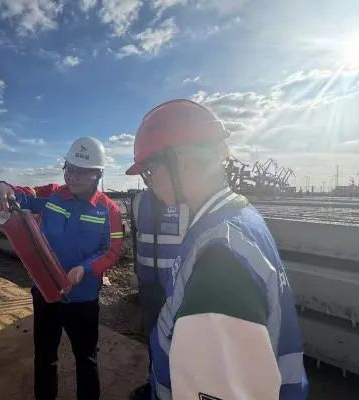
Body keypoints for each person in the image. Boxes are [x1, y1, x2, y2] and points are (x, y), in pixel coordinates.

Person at [125, 99, 308, 399]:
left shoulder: (221, 260)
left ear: (181, 161)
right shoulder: (235, 219)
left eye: (150, 170)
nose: (149, 182)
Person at [0, 137, 123, 400]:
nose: (72, 176)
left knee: (86, 358)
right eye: (69, 168)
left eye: (81, 171)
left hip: (83, 299)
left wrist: (85, 268)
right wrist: (1, 186)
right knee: (45, 356)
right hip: (46, 293)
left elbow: (111, 250)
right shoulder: (51, 195)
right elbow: (20, 193)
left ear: (97, 174)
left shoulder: (109, 210)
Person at [129, 190, 189, 400]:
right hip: (148, 285)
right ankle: (153, 382)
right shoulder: (139, 200)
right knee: (154, 338)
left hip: (178, 287)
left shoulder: (187, 198)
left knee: (181, 341)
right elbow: (136, 239)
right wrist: (137, 272)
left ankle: (180, 389)